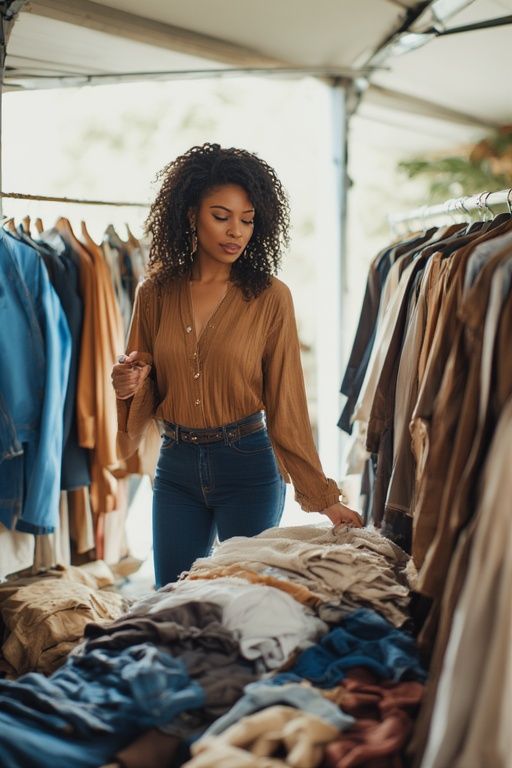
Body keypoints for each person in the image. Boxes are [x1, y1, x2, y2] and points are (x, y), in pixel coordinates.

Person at [112, 143, 362, 588]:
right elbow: (143, 386)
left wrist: (324, 499)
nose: (236, 231)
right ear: (191, 215)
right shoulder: (154, 292)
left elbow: (287, 403)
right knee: (171, 595)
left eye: (247, 220)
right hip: (176, 467)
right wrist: (125, 383)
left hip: (248, 466)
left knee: (242, 600)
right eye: (221, 215)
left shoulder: (270, 297)